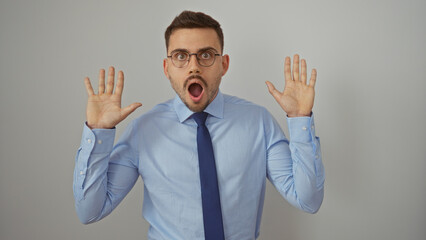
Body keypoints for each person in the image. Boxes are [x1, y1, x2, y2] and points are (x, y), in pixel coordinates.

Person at [74, 10, 324, 240]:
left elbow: (308, 200)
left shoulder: (259, 123)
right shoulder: (144, 131)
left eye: (206, 55)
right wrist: (99, 132)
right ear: (167, 67)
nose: (193, 66)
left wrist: (300, 118)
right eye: (181, 56)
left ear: (224, 64)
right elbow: (90, 211)